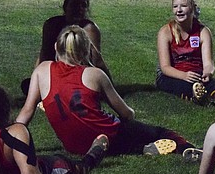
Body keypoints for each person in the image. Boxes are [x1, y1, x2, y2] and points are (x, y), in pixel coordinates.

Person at [17, 25, 195, 156]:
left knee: (120, 139)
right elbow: (127, 113)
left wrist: (11, 139)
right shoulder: (95, 74)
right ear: (86, 49)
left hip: (73, 146)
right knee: (157, 133)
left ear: (56, 47)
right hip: (106, 136)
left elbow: (26, 111)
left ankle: (139, 149)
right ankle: (187, 147)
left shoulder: (42, 70)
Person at [21, 0, 110, 95]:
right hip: (56, 73)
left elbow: (97, 60)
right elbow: (44, 54)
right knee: (27, 85)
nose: (79, 9)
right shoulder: (51, 25)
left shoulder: (89, 28)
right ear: (65, 6)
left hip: (80, 77)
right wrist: (35, 79)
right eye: (75, 5)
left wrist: (109, 87)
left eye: (83, 5)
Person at [156, 0, 215, 105]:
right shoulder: (165, 32)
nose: (178, 10)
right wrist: (184, 75)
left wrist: (208, 73)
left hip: (196, 74)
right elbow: (165, 67)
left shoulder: (203, 31)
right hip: (173, 75)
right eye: (175, 7)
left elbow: (209, 63)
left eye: (183, 6)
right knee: (182, 86)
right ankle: (197, 95)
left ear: (192, 8)